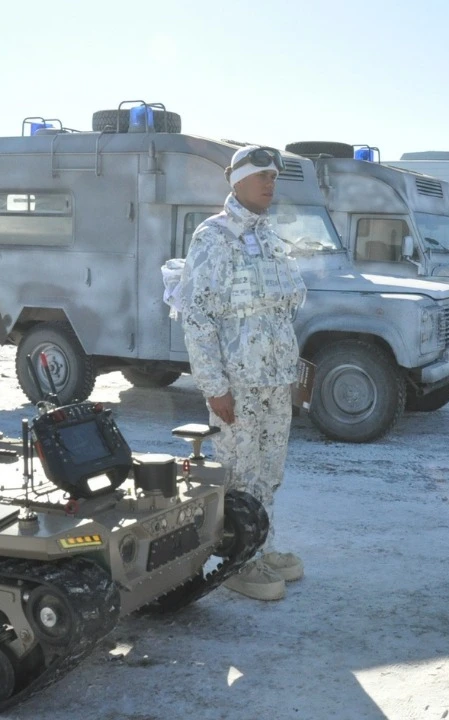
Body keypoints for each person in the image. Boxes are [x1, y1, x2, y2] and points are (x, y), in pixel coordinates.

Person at [177, 145, 307, 601]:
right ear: (237, 182)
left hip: (273, 380)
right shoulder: (213, 237)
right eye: (262, 176)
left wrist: (288, 372)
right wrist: (214, 387)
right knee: (239, 474)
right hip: (238, 384)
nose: (271, 184)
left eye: (274, 176)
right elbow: (196, 316)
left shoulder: (270, 237)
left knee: (269, 473)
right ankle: (238, 560)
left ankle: (261, 546)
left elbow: (283, 309)